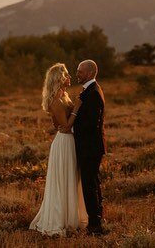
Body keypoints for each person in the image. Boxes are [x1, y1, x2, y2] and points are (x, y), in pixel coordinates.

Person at [29, 63, 88, 236]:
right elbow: (65, 126)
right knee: (64, 179)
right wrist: (77, 107)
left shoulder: (65, 96)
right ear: (59, 79)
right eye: (67, 75)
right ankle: (59, 218)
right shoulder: (56, 100)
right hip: (64, 142)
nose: (70, 78)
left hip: (70, 141)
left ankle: (72, 217)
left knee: (70, 178)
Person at [67, 59, 107, 235]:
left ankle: (95, 225)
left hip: (90, 148)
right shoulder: (89, 90)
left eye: (80, 71)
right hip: (90, 146)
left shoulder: (93, 93)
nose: (77, 74)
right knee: (93, 183)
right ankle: (96, 220)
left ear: (90, 73)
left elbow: (91, 124)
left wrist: (70, 127)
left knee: (89, 185)